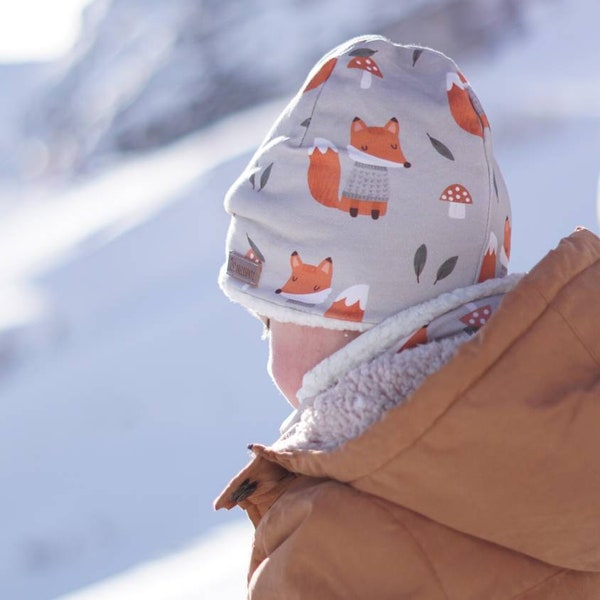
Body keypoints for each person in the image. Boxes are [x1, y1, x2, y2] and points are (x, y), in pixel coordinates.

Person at [214, 35, 600, 599]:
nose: (268, 352)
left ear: (341, 311)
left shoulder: (328, 555)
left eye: (270, 320)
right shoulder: (573, 412)